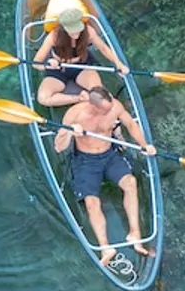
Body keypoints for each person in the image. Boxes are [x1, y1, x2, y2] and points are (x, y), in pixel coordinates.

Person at [53, 86, 156, 267]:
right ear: (93, 106)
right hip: (85, 160)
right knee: (91, 202)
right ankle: (105, 247)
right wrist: (69, 131)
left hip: (109, 155)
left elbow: (131, 124)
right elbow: (59, 147)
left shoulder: (114, 106)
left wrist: (144, 145)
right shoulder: (75, 114)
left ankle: (134, 233)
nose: (110, 112)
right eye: (105, 110)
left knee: (131, 183)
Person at [32, 5, 129, 107]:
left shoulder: (88, 31)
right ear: (64, 28)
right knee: (43, 98)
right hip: (58, 69)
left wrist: (119, 64)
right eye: (72, 30)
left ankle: (112, 108)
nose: (76, 33)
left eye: (77, 28)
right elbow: (36, 63)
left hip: (82, 66)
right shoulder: (54, 36)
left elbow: (103, 48)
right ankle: (80, 98)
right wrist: (47, 65)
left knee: (100, 93)